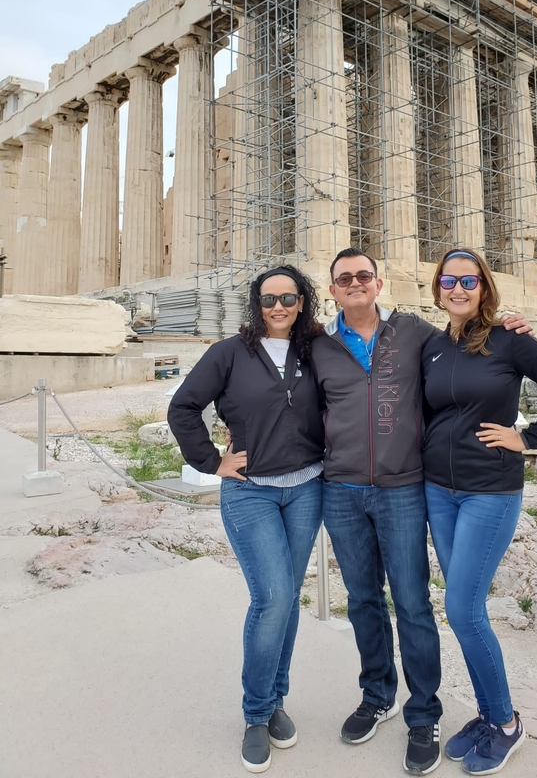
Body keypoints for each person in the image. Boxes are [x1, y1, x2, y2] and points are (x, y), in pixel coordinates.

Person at [311, 247, 533, 776]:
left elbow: (467, 346)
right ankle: (377, 696)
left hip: (404, 487)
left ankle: (423, 714)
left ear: (379, 283)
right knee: (363, 600)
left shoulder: (415, 334)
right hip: (341, 489)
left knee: (412, 602)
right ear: (333, 289)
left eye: (364, 275)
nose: (355, 283)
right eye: (344, 278)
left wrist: (508, 326)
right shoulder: (316, 343)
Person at [421, 248, 537, 776]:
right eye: (449, 280)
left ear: (484, 287)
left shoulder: (510, 339)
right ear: (437, 288)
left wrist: (528, 438)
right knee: (463, 610)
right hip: (438, 492)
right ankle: (488, 715)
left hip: (489, 492)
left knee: (463, 610)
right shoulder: (432, 346)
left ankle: (506, 722)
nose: (458, 289)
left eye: (468, 281)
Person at [167, 266, 325, 775]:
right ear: (255, 304)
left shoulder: (315, 350)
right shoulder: (229, 353)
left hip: (306, 488)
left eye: (288, 298)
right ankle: (256, 713)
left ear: (302, 302)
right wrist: (210, 461)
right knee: (272, 598)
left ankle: (276, 699)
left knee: (289, 598)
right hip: (250, 491)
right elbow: (183, 407)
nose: (278, 307)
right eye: (268, 299)